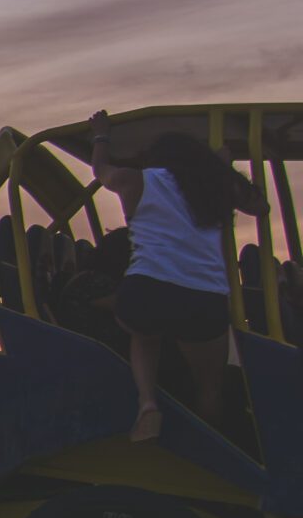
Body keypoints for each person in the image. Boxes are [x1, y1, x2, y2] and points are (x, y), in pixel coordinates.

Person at [91, 111, 264, 440]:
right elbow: (261, 208)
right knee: (210, 387)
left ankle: (147, 402)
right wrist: (222, 169)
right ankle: (213, 444)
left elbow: (100, 171)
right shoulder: (215, 186)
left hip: (146, 291)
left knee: (144, 334)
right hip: (203, 297)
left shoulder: (136, 179)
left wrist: (101, 135)